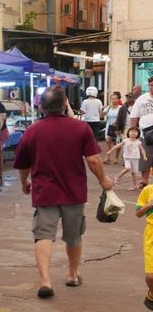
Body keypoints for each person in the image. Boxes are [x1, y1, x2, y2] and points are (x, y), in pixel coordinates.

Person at [14, 86, 113, 298]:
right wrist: (104, 179)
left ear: (41, 107)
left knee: (43, 236)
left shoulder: (33, 130)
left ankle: (45, 281)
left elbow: (23, 163)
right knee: (74, 236)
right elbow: (93, 159)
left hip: (45, 193)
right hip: (73, 192)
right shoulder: (81, 128)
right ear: (65, 103)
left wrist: (25, 182)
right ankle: (72, 274)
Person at [128, 77, 153, 186]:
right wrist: (134, 132)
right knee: (145, 158)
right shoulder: (142, 99)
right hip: (145, 133)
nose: (152, 87)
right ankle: (144, 181)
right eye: (150, 85)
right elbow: (134, 116)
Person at [103, 91, 123, 163]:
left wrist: (119, 125)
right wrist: (103, 109)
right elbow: (101, 116)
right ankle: (108, 157)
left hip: (117, 127)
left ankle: (116, 158)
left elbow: (123, 118)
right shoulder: (108, 108)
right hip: (109, 126)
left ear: (118, 100)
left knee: (118, 143)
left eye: (115, 99)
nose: (114, 100)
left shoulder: (121, 108)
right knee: (108, 141)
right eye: (112, 99)